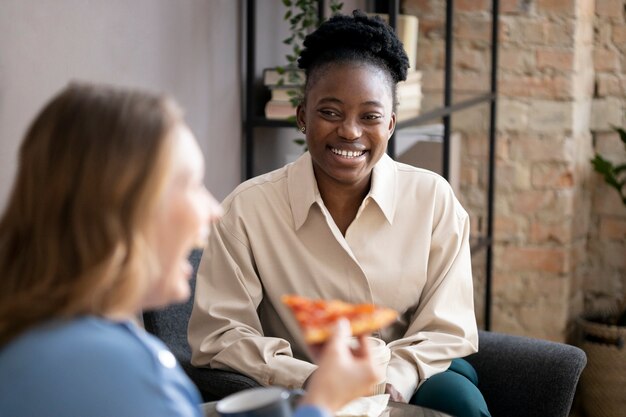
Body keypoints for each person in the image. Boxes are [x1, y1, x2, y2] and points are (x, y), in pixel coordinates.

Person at [0, 82, 381, 417]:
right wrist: (324, 400)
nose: (213, 209)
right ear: (121, 208)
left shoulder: (35, 338)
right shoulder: (115, 372)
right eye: (190, 183)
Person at [188, 10, 491, 417]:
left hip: (412, 378)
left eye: (370, 117)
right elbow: (220, 335)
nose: (350, 131)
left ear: (391, 125)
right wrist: (308, 379)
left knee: (462, 403)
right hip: (303, 385)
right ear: (302, 116)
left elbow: (446, 327)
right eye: (330, 112)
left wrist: (393, 381)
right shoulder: (248, 210)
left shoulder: (433, 199)